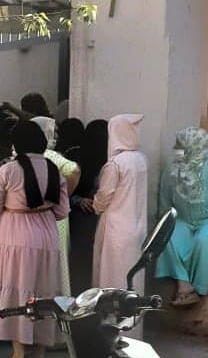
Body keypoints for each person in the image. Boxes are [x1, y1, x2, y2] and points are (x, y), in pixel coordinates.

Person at [0, 121, 68, 358]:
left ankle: (18, 355)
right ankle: (40, 351)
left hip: (16, 235)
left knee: (17, 289)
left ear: (17, 143)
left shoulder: (9, 170)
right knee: (43, 290)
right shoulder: (54, 170)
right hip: (47, 235)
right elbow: (62, 211)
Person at [93, 114, 148, 336]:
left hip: (116, 230)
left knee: (112, 282)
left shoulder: (115, 164)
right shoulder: (142, 160)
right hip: (137, 230)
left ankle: (112, 335)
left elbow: (104, 197)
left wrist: (95, 205)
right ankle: (134, 333)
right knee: (133, 283)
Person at [156, 127, 208, 307]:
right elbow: (165, 202)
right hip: (183, 220)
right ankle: (184, 286)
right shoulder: (172, 169)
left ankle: (201, 289)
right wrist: (164, 222)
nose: (176, 149)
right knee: (169, 236)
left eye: (181, 145)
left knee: (204, 241)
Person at [32, 116, 81, 297]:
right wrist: (63, 196)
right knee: (58, 263)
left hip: (38, 217)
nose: (56, 135)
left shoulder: (31, 156)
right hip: (56, 217)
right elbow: (74, 170)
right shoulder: (50, 155)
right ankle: (57, 302)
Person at [69, 119, 108, 293]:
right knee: (82, 262)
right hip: (81, 220)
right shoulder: (76, 160)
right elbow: (63, 193)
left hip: (97, 219)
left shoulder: (111, 163)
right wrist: (79, 200)